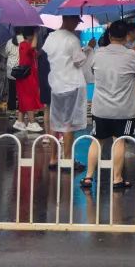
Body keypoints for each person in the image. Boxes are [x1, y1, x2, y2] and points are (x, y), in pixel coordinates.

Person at [83, 21, 135, 191]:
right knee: (119, 141)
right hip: (123, 110)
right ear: (126, 37)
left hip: (101, 108)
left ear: (109, 36)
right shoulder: (131, 55)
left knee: (97, 141)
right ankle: (117, 179)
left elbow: (92, 72)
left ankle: (88, 177)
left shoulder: (98, 54)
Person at [43, 15, 88, 170]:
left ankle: (53, 159)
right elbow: (79, 61)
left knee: (55, 122)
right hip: (71, 84)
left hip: (56, 84)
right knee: (68, 123)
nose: (76, 25)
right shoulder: (72, 39)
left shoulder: (50, 37)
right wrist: (87, 50)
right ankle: (68, 160)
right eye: (76, 21)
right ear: (67, 19)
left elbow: (49, 55)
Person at [15, 29, 44, 133]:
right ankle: (32, 122)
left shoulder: (24, 45)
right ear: (29, 36)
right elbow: (33, 47)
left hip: (27, 76)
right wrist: (36, 33)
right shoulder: (25, 44)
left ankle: (20, 121)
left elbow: (34, 53)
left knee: (24, 98)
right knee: (28, 98)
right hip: (26, 77)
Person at [3, 37, 19, 117]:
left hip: (11, 69)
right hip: (21, 69)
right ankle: (21, 110)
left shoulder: (9, 41)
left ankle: (11, 110)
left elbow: (5, 54)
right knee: (21, 91)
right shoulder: (25, 40)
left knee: (12, 90)